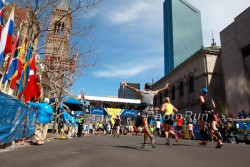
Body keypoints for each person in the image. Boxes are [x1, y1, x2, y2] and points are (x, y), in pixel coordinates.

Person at [123, 81, 169, 149]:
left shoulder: (141, 92)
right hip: (151, 110)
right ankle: (144, 143)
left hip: (144, 110)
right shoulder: (153, 92)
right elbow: (160, 90)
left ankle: (151, 137)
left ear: (145, 87)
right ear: (150, 87)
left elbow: (133, 89)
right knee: (147, 127)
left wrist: (126, 85)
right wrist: (166, 86)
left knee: (145, 126)